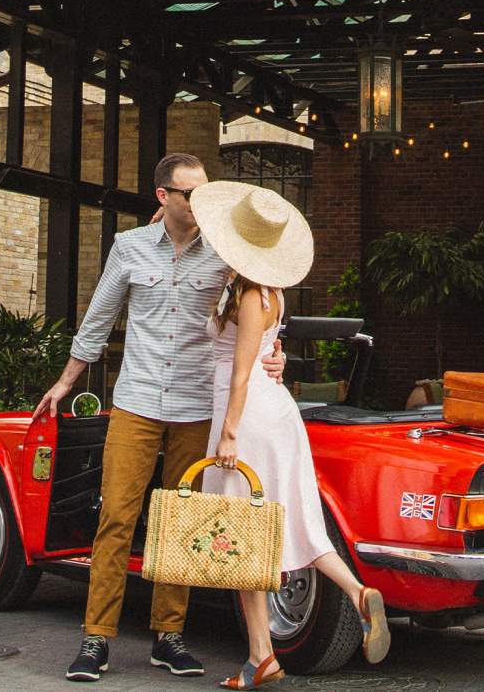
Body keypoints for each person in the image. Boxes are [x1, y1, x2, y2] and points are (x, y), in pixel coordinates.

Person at [31, 154, 286, 683]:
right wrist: (64, 382)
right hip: (138, 402)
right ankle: (95, 639)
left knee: (181, 526)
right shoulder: (127, 248)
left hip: (197, 407)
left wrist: (272, 357)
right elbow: (97, 320)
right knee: (116, 518)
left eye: (202, 193)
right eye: (187, 194)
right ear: (162, 196)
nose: (197, 204)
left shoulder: (222, 255)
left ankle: (168, 637)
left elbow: (256, 310)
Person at [189, 181, 391, 690]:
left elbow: (239, 372)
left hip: (248, 415)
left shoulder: (251, 296)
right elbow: (258, 359)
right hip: (272, 411)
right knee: (289, 523)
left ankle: (262, 655)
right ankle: (349, 597)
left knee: (239, 536)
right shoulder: (265, 291)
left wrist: (229, 434)